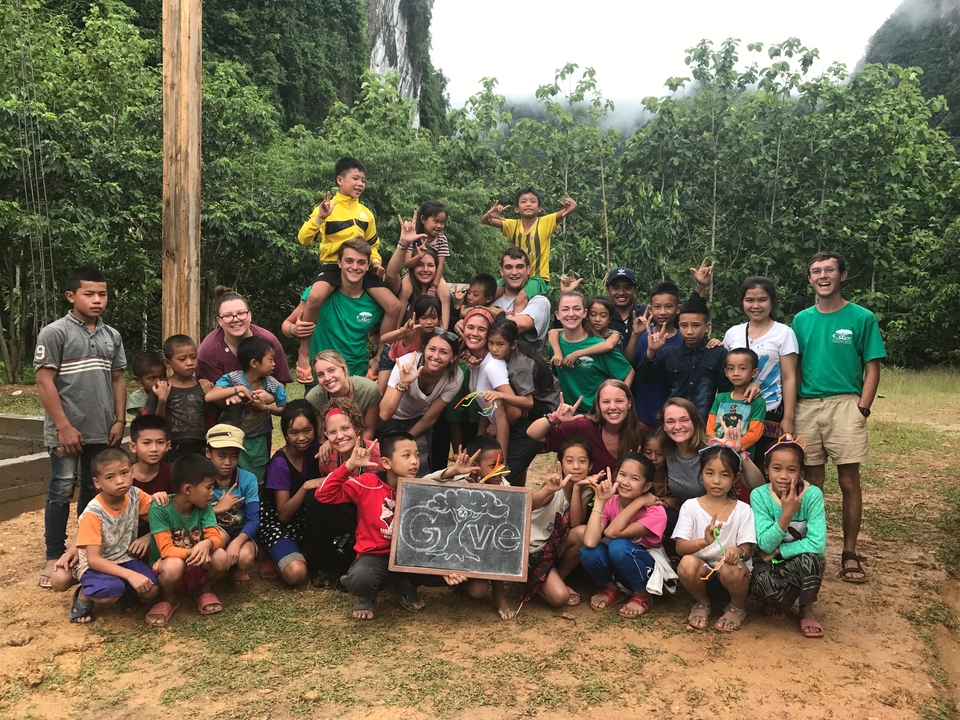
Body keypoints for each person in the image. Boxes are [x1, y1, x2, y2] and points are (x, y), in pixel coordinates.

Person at [791, 251, 886, 584]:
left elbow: (872, 365)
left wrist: (863, 407)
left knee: (848, 482)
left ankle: (849, 552)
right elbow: (795, 367)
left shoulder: (862, 318)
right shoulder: (801, 320)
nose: (823, 275)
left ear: (842, 275)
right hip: (807, 406)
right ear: (810, 279)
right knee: (812, 484)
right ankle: (813, 549)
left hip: (846, 404)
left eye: (830, 270)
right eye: (816, 271)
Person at [34, 266, 127, 589]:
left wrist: (119, 419)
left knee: (92, 491)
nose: (97, 300)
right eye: (89, 294)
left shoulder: (110, 335)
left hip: (103, 430)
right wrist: (63, 427)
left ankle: (85, 551)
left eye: (102, 294)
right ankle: (53, 554)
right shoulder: (55, 332)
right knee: (61, 488)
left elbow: (118, 378)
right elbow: (44, 380)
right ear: (71, 296)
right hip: (67, 431)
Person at [315, 434, 459, 620]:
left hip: (410, 557)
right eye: (406, 456)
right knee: (361, 579)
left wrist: (445, 567)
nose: (415, 462)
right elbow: (323, 495)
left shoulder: (420, 488)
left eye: (416, 455)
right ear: (386, 462)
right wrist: (349, 466)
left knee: (451, 573)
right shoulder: (367, 483)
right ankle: (364, 592)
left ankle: (403, 582)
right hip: (374, 557)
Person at [294, 157, 399, 380]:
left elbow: (373, 246)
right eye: (355, 178)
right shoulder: (327, 208)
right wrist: (320, 218)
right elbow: (304, 239)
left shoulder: (366, 214)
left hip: (361, 269)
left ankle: (379, 356)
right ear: (340, 180)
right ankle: (303, 354)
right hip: (333, 266)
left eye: (363, 179)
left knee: (394, 305)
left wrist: (377, 262)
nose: (360, 183)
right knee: (315, 298)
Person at [49, 448, 158, 624]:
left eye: (124, 473)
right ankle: (85, 594)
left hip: (125, 557)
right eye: (110, 477)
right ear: (97, 483)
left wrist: (159, 499)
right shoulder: (93, 513)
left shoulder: (135, 494)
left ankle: (124, 591)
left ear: (132, 471)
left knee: (151, 589)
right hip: (97, 563)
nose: (120, 481)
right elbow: (94, 560)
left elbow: (160, 515)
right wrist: (130, 575)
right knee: (109, 592)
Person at [673, 443, 755, 633]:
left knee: (730, 569)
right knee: (686, 563)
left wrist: (738, 552)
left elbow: (748, 551)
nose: (716, 481)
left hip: (733, 578)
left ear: (736, 478)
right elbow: (680, 548)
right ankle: (702, 601)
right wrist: (703, 542)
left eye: (724, 474)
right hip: (701, 576)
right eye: (710, 473)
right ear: (701, 474)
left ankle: (737, 605)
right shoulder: (690, 507)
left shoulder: (743, 510)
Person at [750, 435, 827, 638]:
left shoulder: (812, 495)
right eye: (777, 468)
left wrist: (780, 550)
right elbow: (765, 545)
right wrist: (786, 515)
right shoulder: (759, 495)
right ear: (766, 470)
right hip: (769, 564)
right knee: (759, 580)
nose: (784, 476)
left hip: (799, 561)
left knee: (811, 559)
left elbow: (818, 545)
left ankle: (806, 608)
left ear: (801, 472)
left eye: (791, 470)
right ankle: (780, 601)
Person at [284, 238, 391, 381]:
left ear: (367, 266)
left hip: (355, 375)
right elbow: (285, 325)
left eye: (361, 262)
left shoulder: (375, 302)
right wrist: (293, 329)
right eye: (349, 261)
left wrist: (378, 357)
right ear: (339, 263)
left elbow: (377, 335)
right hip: (319, 375)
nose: (355, 267)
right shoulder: (317, 294)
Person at [147, 454, 230, 627]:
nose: (212, 492)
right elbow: (166, 550)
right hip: (169, 564)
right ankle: (169, 599)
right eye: (208, 487)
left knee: (221, 556)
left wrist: (207, 544)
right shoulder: (159, 509)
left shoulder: (204, 506)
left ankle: (203, 590)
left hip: (197, 563)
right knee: (173, 565)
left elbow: (215, 536)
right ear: (187, 490)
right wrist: (194, 552)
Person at [306, 399, 382, 587]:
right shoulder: (327, 457)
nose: (339, 436)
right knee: (314, 500)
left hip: (376, 515)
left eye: (345, 428)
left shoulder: (378, 454)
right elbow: (328, 494)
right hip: (347, 510)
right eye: (332, 432)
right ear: (325, 436)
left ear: (357, 426)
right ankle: (323, 568)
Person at [580, 453, 667, 617]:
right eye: (622, 475)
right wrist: (600, 501)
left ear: (647, 486)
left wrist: (639, 502)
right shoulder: (611, 501)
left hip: (646, 569)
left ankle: (643, 594)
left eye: (634, 478)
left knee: (617, 545)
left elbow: (612, 532)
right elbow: (590, 541)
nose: (626, 482)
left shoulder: (655, 510)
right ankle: (611, 588)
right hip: (619, 567)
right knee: (588, 551)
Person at [722, 276, 799, 455]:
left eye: (762, 300)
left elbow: (789, 377)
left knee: (766, 462)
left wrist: (788, 418)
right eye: (750, 300)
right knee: (736, 462)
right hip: (737, 410)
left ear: (772, 302)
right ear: (742, 302)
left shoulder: (784, 333)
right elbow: (726, 369)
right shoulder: (733, 333)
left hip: (770, 410)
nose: (756, 305)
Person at [484, 317, 560, 486]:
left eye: (500, 344)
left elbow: (528, 402)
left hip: (545, 408)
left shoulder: (520, 366)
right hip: (535, 404)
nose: (494, 349)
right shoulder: (506, 355)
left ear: (513, 344)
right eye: (490, 343)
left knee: (509, 470)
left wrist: (501, 395)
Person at [379, 330, 464, 473]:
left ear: (453, 358)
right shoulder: (406, 363)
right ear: (424, 349)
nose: (435, 356)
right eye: (431, 349)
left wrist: (408, 440)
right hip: (392, 417)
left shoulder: (455, 377)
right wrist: (403, 384)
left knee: (419, 463)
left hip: (418, 419)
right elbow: (384, 414)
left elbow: (430, 417)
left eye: (443, 352)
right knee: (386, 465)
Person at [636, 294, 731, 422]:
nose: (689, 331)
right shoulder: (668, 353)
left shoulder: (718, 353)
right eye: (684, 326)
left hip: (705, 423)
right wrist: (651, 351)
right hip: (674, 423)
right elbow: (644, 377)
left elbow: (727, 391)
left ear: (707, 326)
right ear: (679, 325)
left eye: (696, 325)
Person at [205, 336, 287, 482]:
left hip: (258, 438)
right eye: (270, 359)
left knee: (257, 476)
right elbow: (210, 396)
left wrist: (265, 408)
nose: (274, 364)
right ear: (254, 363)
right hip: (229, 438)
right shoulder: (232, 379)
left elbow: (285, 410)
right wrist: (238, 389)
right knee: (228, 474)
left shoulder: (273, 385)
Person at [658, 398, 765, 507]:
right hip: (689, 515)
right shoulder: (667, 452)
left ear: (695, 422)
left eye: (684, 420)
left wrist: (739, 451)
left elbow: (759, 486)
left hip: (719, 515)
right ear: (664, 427)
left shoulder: (713, 449)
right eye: (670, 421)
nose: (677, 426)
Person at [260, 402, 322, 586]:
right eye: (294, 432)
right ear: (285, 433)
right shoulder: (280, 464)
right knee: (297, 573)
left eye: (307, 430)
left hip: (307, 521)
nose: (302, 438)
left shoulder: (317, 450)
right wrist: (305, 487)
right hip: (280, 524)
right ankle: (272, 553)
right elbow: (283, 514)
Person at [527, 381, 642, 476]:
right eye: (606, 401)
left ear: (629, 403)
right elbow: (533, 433)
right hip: (581, 497)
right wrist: (555, 418)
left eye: (619, 401)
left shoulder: (640, 433)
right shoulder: (584, 426)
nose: (612, 407)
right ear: (598, 404)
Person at [521, 455, 589, 611]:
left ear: (590, 465)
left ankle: (558, 577)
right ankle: (529, 581)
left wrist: (578, 488)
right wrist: (547, 490)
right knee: (560, 597)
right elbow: (527, 505)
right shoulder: (553, 486)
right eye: (569, 461)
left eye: (582, 461)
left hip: (553, 548)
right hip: (534, 549)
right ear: (561, 464)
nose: (576, 466)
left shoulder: (586, 491)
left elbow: (576, 523)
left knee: (583, 533)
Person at [480, 187, 577, 292]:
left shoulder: (546, 222)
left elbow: (566, 211)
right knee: (488, 292)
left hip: (538, 278)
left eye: (533, 201)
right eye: (523, 201)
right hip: (517, 276)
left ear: (539, 208)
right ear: (517, 209)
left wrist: (572, 206)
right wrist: (489, 214)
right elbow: (485, 221)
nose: (528, 204)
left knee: (522, 297)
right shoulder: (513, 225)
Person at [552, 291, 633, 414]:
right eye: (565, 309)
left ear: (584, 313)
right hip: (568, 414)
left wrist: (620, 400)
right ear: (557, 314)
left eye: (576, 309)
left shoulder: (599, 345)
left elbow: (628, 372)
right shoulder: (555, 344)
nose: (571, 314)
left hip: (596, 415)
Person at [197, 286, 292, 386]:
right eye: (228, 316)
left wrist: (265, 397)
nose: (236, 319)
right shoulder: (208, 351)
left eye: (241, 313)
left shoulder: (269, 341)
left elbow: (280, 381)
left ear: (250, 315)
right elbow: (211, 393)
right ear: (219, 320)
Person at [459, 307, 517, 463]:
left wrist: (497, 427)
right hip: (494, 432)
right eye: (470, 327)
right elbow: (487, 407)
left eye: (482, 329)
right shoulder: (477, 362)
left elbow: (514, 410)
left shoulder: (493, 366)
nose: (474, 333)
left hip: (511, 434)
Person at [205, 424, 260, 584]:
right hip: (213, 529)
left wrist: (237, 542)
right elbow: (191, 514)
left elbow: (254, 519)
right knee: (215, 546)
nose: (228, 462)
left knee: (245, 557)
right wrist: (218, 509)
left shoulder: (248, 479)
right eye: (221, 456)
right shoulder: (200, 480)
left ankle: (238, 568)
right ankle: (210, 576)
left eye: (234, 456)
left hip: (241, 530)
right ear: (208, 453)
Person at [147, 335, 211, 460]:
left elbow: (207, 416)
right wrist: (162, 400)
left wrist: (209, 397)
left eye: (193, 357)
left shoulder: (203, 386)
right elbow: (155, 423)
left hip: (199, 448)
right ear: (167, 362)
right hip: (171, 449)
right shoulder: (162, 387)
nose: (189, 363)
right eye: (182, 359)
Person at [304, 349, 382, 441]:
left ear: (344, 369)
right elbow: (321, 437)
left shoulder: (369, 389)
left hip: (364, 441)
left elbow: (368, 429)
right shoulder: (314, 398)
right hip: (333, 441)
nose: (327, 378)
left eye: (332, 370)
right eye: (321, 375)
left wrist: (356, 451)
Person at [707, 347, 767, 465]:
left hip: (743, 455)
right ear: (726, 372)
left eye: (742, 368)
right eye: (731, 368)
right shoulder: (720, 398)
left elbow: (754, 434)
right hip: (717, 451)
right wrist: (715, 444)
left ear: (754, 372)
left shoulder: (757, 402)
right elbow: (710, 426)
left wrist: (732, 447)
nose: (736, 373)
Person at [489, 248, 552, 352]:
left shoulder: (540, 302)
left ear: (528, 269)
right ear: (501, 271)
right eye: (509, 267)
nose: (514, 272)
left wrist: (474, 326)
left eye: (519, 267)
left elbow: (520, 325)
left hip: (522, 366)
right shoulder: (491, 300)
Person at [376, 295, 443, 392]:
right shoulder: (412, 332)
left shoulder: (438, 335)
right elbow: (383, 339)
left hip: (410, 366)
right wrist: (403, 331)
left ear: (439, 318)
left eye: (433, 317)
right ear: (417, 319)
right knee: (380, 393)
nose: (429, 322)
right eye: (424, 317)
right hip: (392, 359)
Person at [386, 245, 451, 331]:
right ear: (413, 267)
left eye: (430, 265)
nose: (425, 269)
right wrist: (395, 334)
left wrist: (442, 335)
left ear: (436, 268)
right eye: (420, 265)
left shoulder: (444, 294)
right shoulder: (403, 288)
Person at [547, 295, 621, 367]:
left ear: (609, 319)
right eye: (592, 315)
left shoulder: (612, 334)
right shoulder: (584, 330)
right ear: (586, 315)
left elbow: (608, 345)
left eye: (603, 316)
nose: (597, 319)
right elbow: (552, 332)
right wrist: (557, 352)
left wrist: (577, 354)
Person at [129, 414, 173, 500]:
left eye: (160, 442)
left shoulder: (173, 473)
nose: (154, 449)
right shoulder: (121, 475)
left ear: (167, 445)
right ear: (133, 447)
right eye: (146, 443)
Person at [127, 352, 164, 418]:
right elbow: (149, 420)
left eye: (163, 376)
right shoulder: (137, 397)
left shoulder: (171, 390)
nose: (159, 382)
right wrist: (162, 400)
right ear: (138, 380)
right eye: (152, 378)